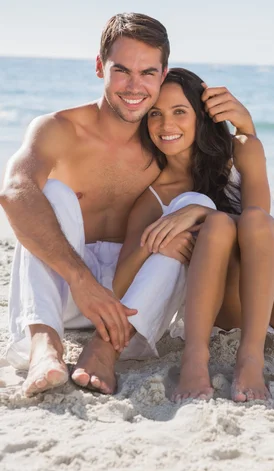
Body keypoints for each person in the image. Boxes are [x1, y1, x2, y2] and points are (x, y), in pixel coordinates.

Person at [0, 13, 255, 396]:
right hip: (66, 288)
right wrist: (81, 280)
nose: (134, 86)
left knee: (188, 205)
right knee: (52, 194)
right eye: (122, 70)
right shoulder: (59, 129)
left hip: (135, 296)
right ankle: (45, 346)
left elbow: (242, 203)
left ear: (163, 73)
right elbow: (14, 192)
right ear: (100, 66)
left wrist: (246, 128)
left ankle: (105, 350)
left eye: (148, 72)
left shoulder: (167, 141)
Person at [115, 68, 274, 403]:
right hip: (225, 310)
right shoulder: (152, 197)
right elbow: (120, 286)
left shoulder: (242, 149)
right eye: (155, 114)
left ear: (202, 116)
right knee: (218, 226)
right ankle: (194, 360)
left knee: (247, 219)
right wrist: (154, 243)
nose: (166, 125)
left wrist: (201, 212)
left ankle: (250, 359)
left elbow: (258, 225)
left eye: (180, 111)